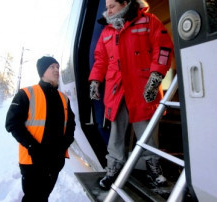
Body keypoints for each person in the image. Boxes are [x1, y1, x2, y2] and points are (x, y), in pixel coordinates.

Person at [89, 0, 174, 190]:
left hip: (143, 88)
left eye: (112, 6)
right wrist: (95, 80)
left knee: (147, 133)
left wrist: (156, 76)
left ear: (125, 3)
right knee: (116, 133)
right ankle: (113, 169)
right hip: (116, 90)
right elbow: (100, 59)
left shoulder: (149, 21)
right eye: (107, 6)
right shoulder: (107, 31)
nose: (107, 10)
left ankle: (153, 171)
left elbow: (163, 49)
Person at [5, 56, 75, 202]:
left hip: (55, 161)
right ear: (43, 71)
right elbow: (12, 123)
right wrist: (32, 146)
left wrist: (64, 145)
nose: (57, 70)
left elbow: (71, 125)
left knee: (43, 197)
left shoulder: (64, 98)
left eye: (58, 67)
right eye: (52, 67)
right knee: (32, 198)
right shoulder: (26, 94)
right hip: (32, 161)